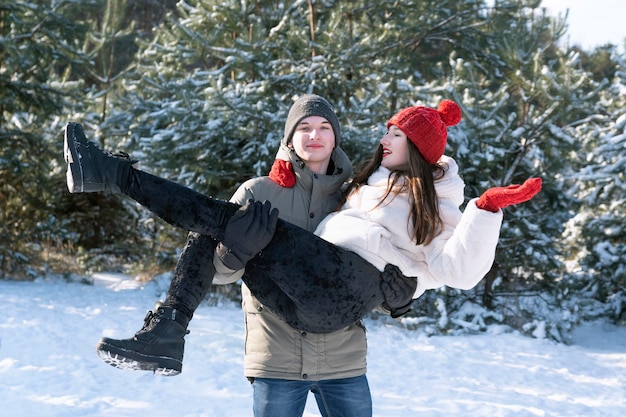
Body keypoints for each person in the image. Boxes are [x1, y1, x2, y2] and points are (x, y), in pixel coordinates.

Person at [69, 95, 379, 416]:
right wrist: (235, 254)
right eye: (305, 127)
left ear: (335, 136)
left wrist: (400, 294)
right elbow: (217, 273)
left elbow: (381, 264)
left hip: (344, 359)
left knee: (212, 218)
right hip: (278, 361)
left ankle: (169, 324)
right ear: (289, 137)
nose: (314, 135)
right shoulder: (258, 192)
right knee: (215, 223)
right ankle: (113, 176)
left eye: (324, 127)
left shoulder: (360, 198)